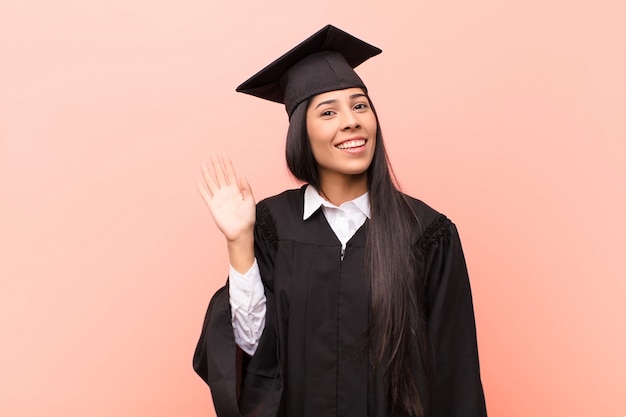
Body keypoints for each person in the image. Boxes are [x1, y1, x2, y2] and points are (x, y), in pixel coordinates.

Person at [193, 25, 487, 417]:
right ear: (302, 132)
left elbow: (455, 373)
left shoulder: (427, 234)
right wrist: (239, 242)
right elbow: (251, 354)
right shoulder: (272, 227)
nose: (350, 121)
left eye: (360, 105)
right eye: (328, 112)